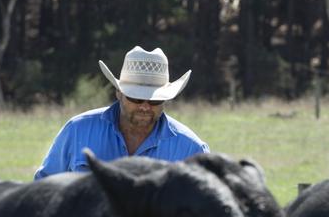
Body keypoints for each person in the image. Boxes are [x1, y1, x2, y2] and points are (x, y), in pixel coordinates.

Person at [34, 46, 210, 179]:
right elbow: (44, 189)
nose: (145, 107)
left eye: (155, 100)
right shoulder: (77, 129)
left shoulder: (192, 149)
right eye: (136, 98)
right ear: (118, 93)